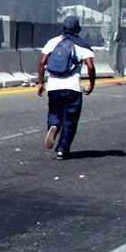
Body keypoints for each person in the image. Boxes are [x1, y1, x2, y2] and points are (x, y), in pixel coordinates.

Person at [37, 16, 97, 160]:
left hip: (54, 86)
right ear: (78, 29)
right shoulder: (82, 45)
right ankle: (62, 149)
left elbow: (42, 62)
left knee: (54, 113)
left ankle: (54, 126)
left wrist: (41, 83)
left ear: (63, 28)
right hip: (73, 88)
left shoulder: (53, 42)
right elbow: (90, 66)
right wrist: (91, 85)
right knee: (70, 120)